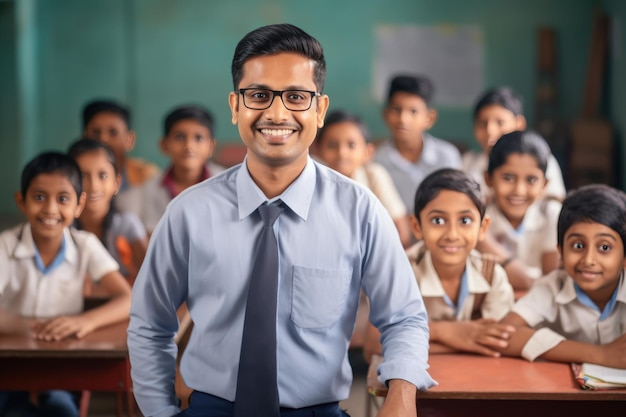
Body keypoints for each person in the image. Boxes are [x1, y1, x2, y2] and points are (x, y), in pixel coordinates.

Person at [127, 23, 434, 417]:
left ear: (319, 110)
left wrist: (402, 393)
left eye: (296, 96)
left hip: (315, 410)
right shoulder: (188, 212)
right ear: (235, 106)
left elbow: (404, 318)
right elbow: (150, 325)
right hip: (211, 408)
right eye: (258, 95)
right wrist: (159, 412)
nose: (276, 112)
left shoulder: (360, 210)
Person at [0, 151, 132, 417]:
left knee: (62, 410)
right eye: (39, 197)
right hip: (9, 366)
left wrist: (85, 322)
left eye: (62, 199)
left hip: (64, 369)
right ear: (21, 201)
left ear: (79, 205)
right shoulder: (5, 245)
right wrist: (30, 327)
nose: (50, 209)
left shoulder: (85, 245)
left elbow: (127, 298)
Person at [363, 169, 515, 362]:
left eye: (465, 221)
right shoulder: (401, 271)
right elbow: (373, 345)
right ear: (417, 227)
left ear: (483, 228)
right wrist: (445, 332)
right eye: (438, 220)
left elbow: (499, 341)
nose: (452, 234)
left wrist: (417, 339)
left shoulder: (491, 274)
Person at [497, 184, 626, 368]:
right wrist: (601, 354)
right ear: (561, 252)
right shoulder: (552, 287)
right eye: (578, 246)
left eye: (604, 247)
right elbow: (503, 334)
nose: (588, 260)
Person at [116, 104, 224, 234]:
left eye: (198, 138)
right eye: (179, 137)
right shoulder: (144, 192)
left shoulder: (230, 186)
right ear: (164, 145)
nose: (189, 146)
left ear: (211, 146)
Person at [478, 130, 562, 292]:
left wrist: (484, 242)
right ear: (488, 179)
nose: (519, 190)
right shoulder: (478, 218)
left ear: (544, 185)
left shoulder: (552, 214)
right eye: (508, 178)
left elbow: (552, 286)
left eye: (531, 180)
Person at [315, 109, 412, 247]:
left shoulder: (374, 175)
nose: (342, 153)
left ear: (368, 152)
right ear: (317, 149)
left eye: (351, 145)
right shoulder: (311, 178)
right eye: (332, 145)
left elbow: (401, 232)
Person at [373, 74, 462, 214]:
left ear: (429, 118)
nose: (403, 119)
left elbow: (454, 203)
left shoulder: (446, 156)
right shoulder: (376, 158)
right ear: (385, 114)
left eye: (413, 111)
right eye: (396, 109)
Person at [462, 86, 566, 201]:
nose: (490, 131)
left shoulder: (541, 161)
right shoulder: (468, 162)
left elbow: (555, 202)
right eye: (482, 123)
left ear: (519, 124)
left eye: (500, 122)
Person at [68, 138, 148, 283]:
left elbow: (151, 279)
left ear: (116, 183)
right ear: (68, 182)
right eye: (82, 176)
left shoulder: (127, 226)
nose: (93, 186)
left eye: (103, 176)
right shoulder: (63, 228)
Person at [82, 99, 160, 192]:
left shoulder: (147, 176)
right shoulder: (72, 175)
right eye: (96, 132)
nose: (103, 139)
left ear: (130, 140)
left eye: (113, 132)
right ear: (84, 136)